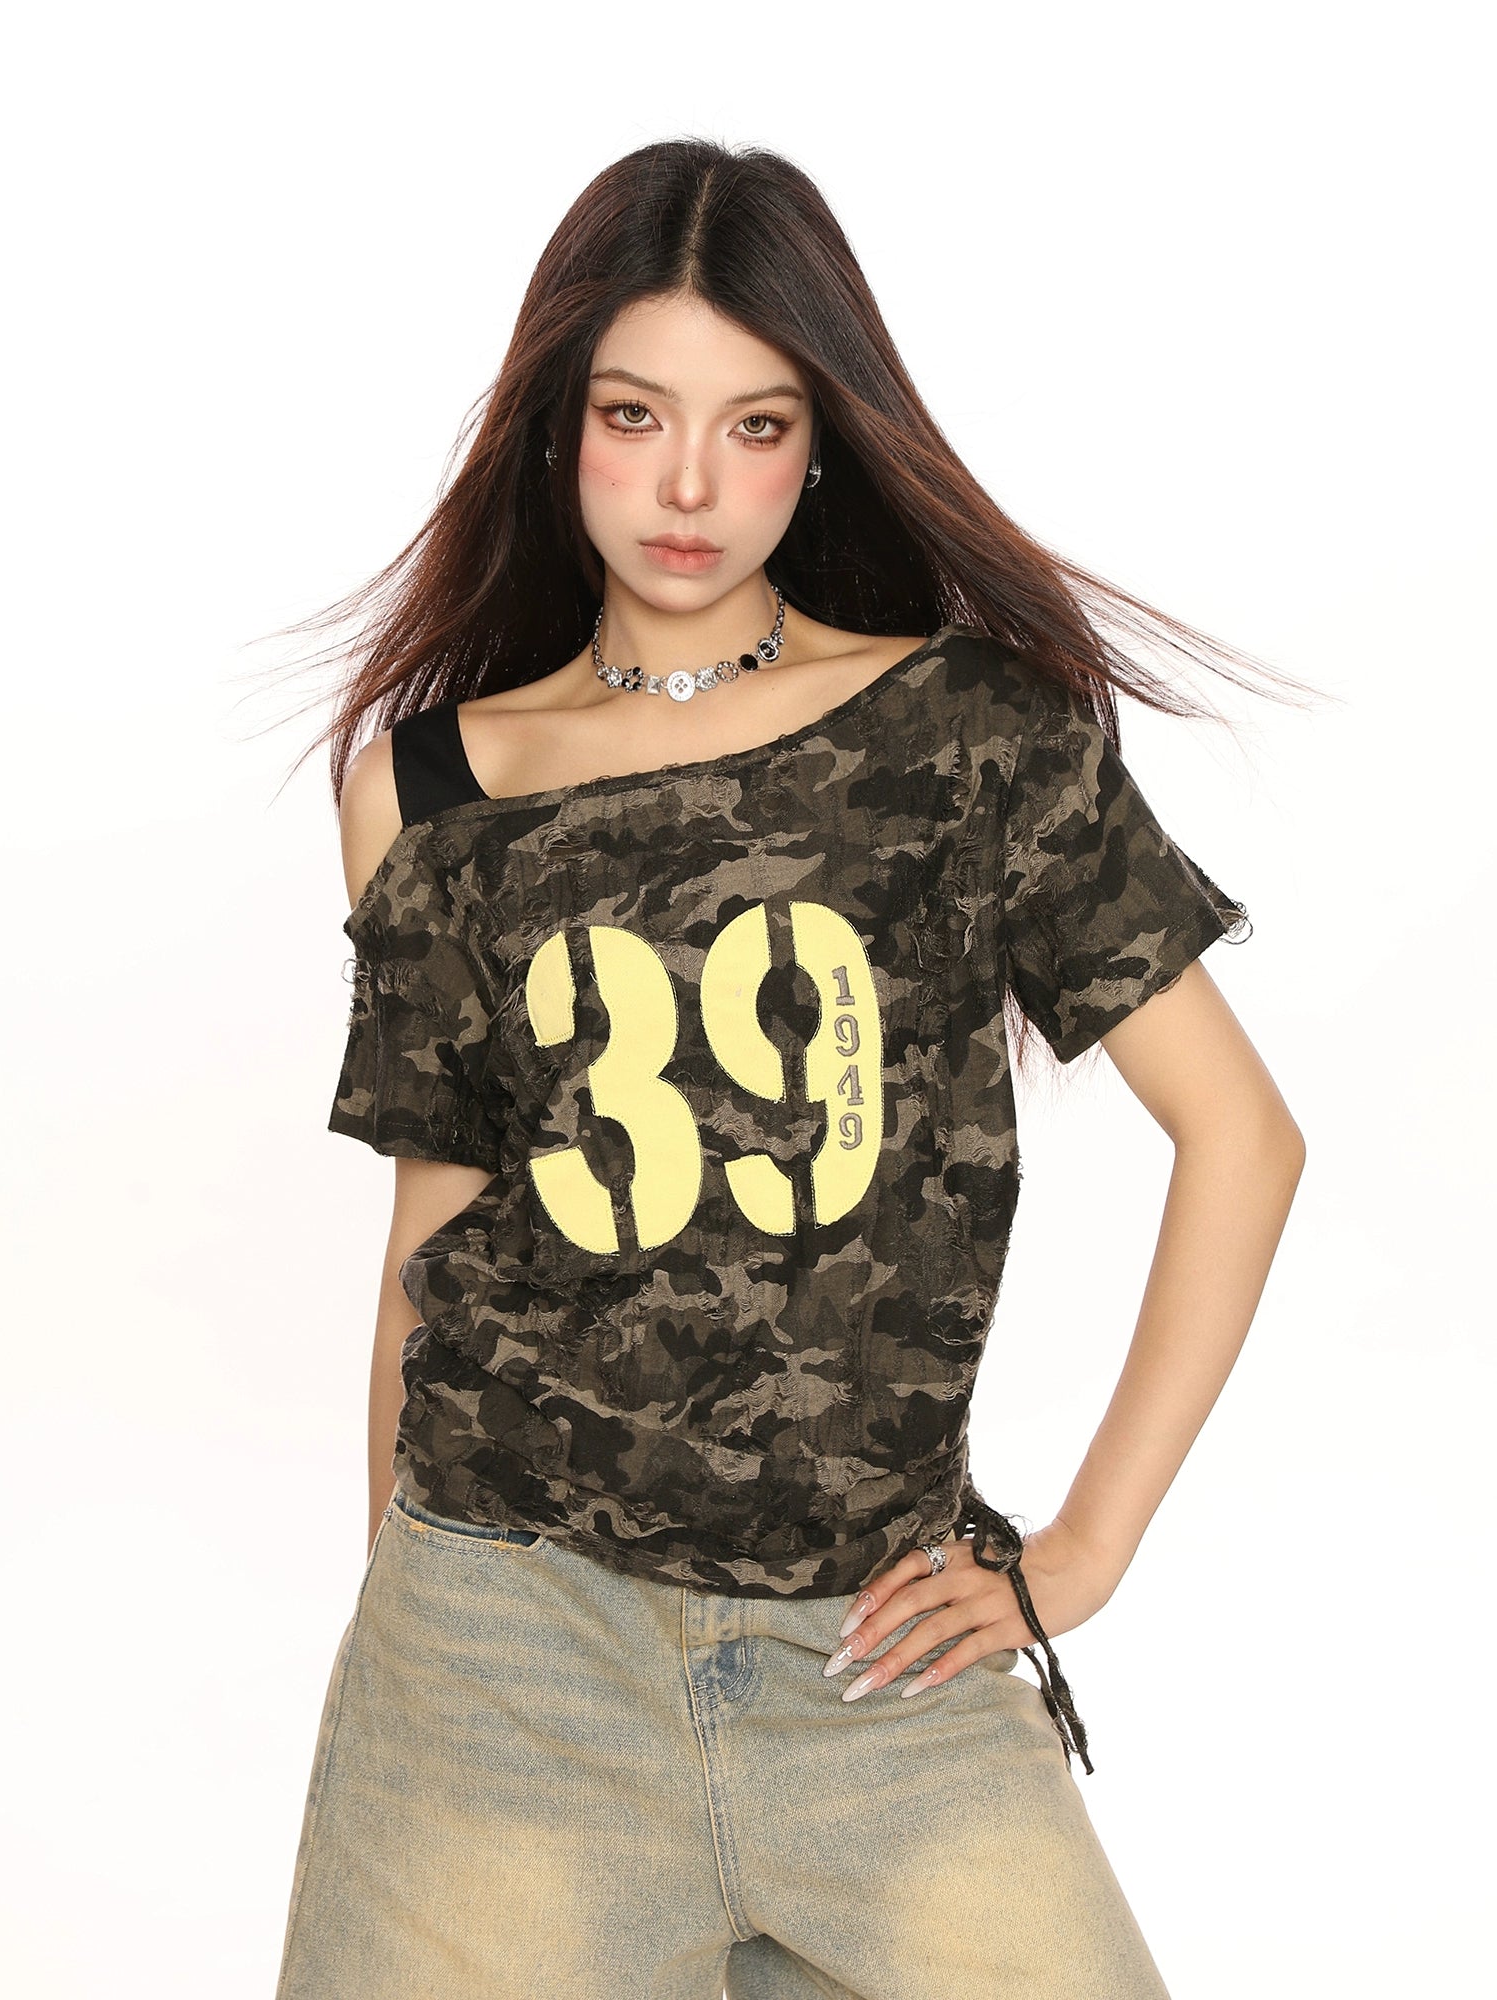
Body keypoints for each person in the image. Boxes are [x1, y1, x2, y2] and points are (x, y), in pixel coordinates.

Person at [272, 136, 1309, 2000]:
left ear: (821, 442)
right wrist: (404, 1640)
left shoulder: (969, 733)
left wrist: (1082, 1552)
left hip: (876, 1656)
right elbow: (432, 1243)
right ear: (556, 427)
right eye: (635, 415)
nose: (689, 486)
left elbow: (1242, 1135)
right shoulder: (426, 789)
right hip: (501, 1646)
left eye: (754, 426)